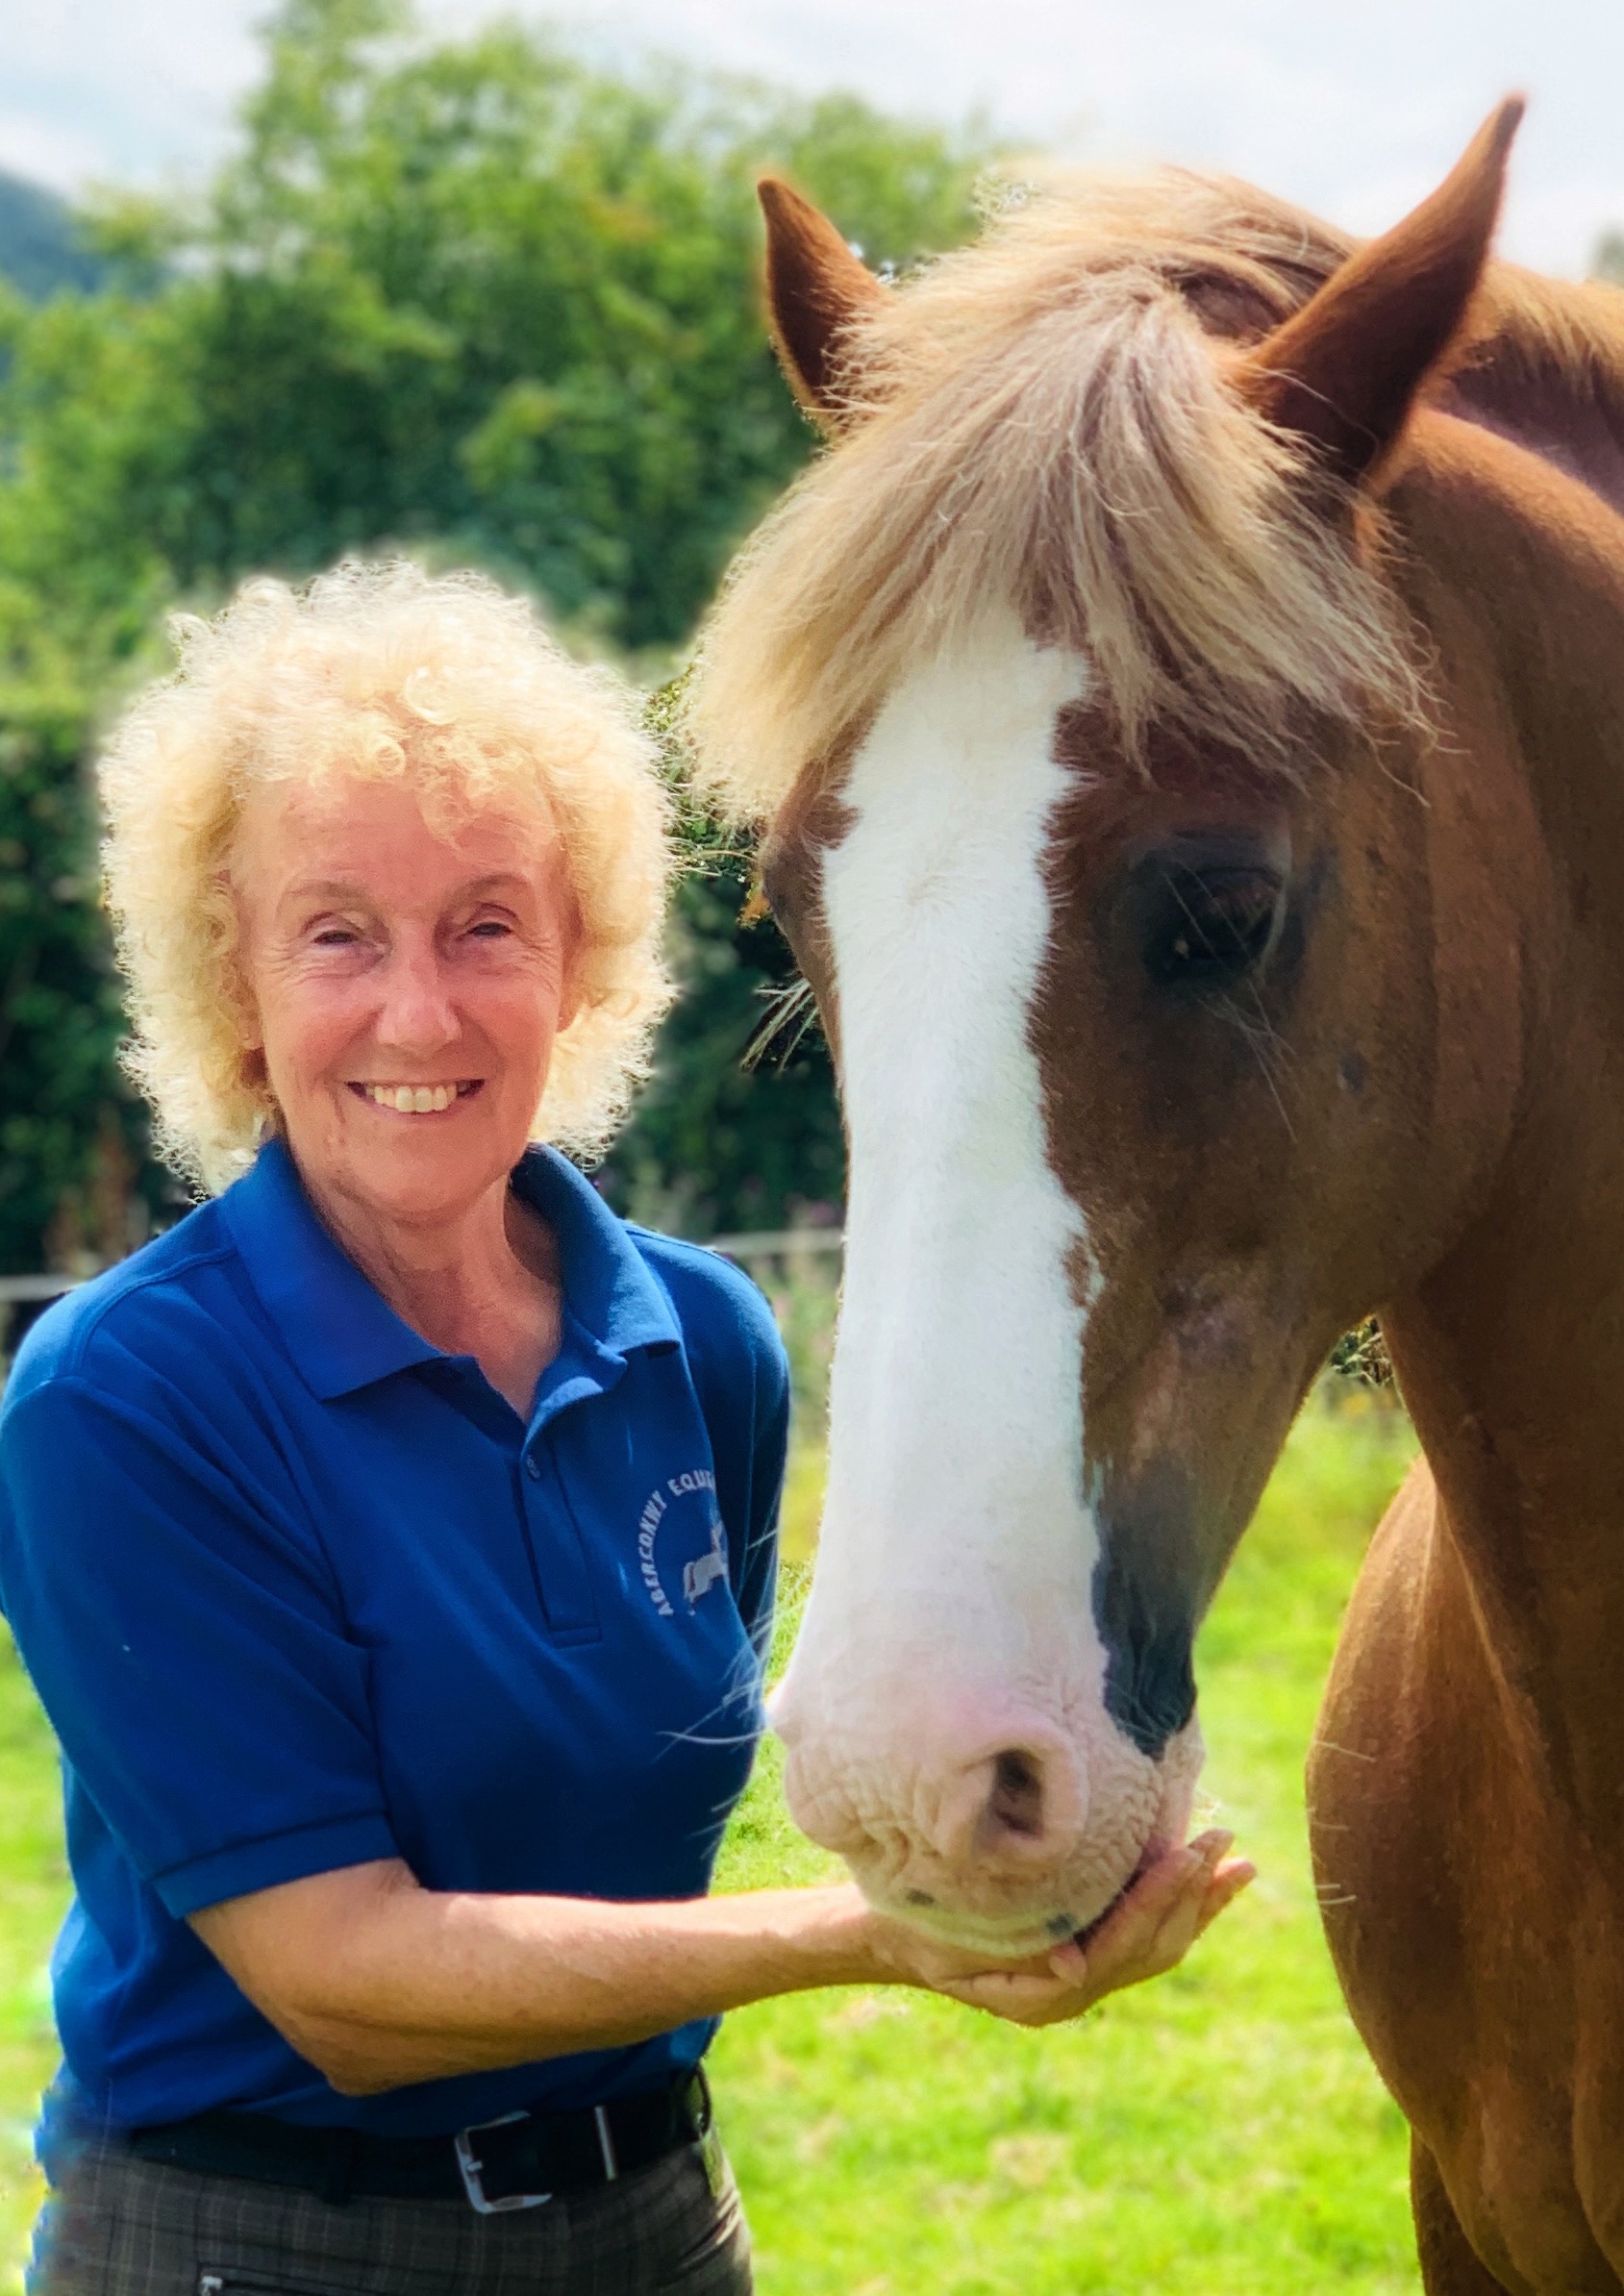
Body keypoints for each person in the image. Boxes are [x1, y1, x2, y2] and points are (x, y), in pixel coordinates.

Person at [0, 562, 1253, 2296]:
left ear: (581, 958)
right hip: (261, 2239)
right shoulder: (124, 1393)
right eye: (338, 934)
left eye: (486, 926)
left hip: (657, 2222)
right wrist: (872, 1936)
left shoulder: (704, 1342)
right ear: (235, 984)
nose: (419, 1013)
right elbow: (341, 1983)